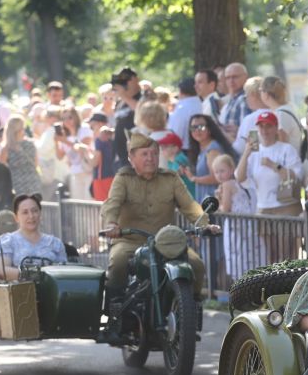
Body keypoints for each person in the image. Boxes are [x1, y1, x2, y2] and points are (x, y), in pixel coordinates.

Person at [100, 133, 219, 308]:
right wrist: (111, 224)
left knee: (197, 265)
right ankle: (113, 310)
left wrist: (204, 224)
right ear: (131, 158)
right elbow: (112, 204)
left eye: (154, 154)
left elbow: (189, 206)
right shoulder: (123, 179)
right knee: (117, 263)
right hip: (130, 241)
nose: (151, 158)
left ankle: (191, 309)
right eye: (145, 154)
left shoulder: (170, 178)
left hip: (166, 243)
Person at [235, 111, 304, 261]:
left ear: (275, 128)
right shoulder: (254, 153)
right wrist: (246, 153)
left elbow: (297, 177)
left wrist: (275, 166)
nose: (265, 131)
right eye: (261, 126)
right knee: (270, 255)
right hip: (264, 208)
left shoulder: (286, 149)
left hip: (286, 207)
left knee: (287, 254)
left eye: (269, 126)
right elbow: (239, 178)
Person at [0, 194, 67, 280]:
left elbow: (64, 273)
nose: (31, 216)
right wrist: (34, 276)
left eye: (35, 211)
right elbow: (1, 271)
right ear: (16, 217)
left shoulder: (55, 243)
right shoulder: (6, 241)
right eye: (25, 212)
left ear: (40, 214)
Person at [213, 153, 263, 279]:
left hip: (235, 226)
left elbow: (225, 208)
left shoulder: (227, 185)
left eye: (222, 171)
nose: (219, 175)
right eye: (216, 172)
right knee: (251, 257)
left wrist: (217, 205)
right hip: (248, 225)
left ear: (231, 169)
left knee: (238, 258)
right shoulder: (240, 184)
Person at [186, 113, 235, 203]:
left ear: (209, 129)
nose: (197, 131)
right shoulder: (202, 149)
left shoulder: (213, 150)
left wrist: (194, 179)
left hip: (213, 203)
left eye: (201, 127)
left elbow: (216, 178)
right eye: (193, 128)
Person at [55, 106, 94, 200]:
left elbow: (83, 148)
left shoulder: (84, 129)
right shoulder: (65, 136)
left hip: (88, 171)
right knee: (78, 203)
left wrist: (65, 141)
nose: (67, 121)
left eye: (70, 117)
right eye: (64, 118)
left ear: (76, 117)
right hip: (75, 173)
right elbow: (60, 156)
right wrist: (56, 142)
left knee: (89, 201)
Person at [260, 76, 303, 155]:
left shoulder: (281, 114)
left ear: (266, 94)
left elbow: (280, 145)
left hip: (286, 164)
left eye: (261, 91)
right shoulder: (287, 108)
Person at [0, 115, 40, 196]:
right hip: (33, 183)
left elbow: (2, 170)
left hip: (17, 185)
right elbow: (36, 164)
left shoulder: (6, 149)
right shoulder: (30, 144)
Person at [169, 78, 203, 154]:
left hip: (185, 152)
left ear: (180, 91)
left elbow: (176, 134)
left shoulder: (181, 108)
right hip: (201, 148)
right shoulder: (202, 104)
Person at [219, 63, 251, 141]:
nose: (231, 81)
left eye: (235, 77)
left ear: (246, 77)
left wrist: (240, 131)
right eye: (227, 78)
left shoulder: (245, 99)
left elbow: (250, 132)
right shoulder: (233, 99)